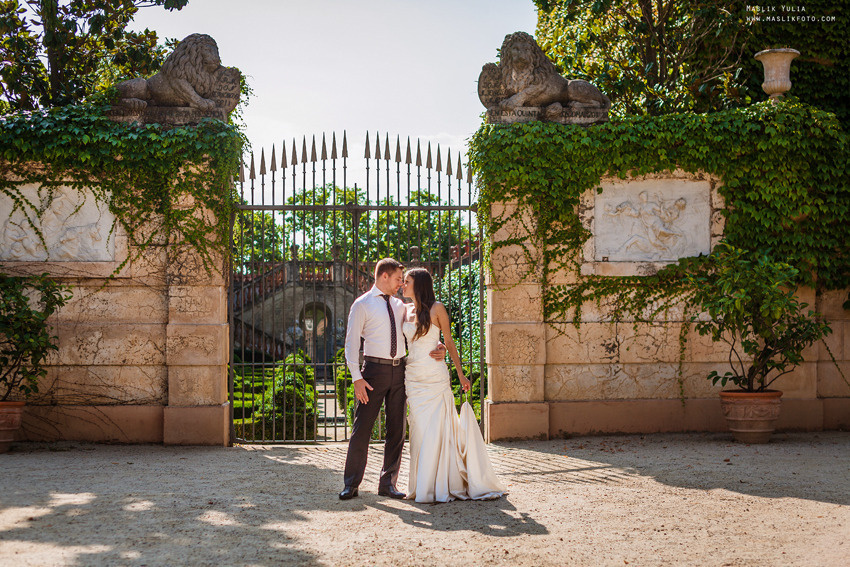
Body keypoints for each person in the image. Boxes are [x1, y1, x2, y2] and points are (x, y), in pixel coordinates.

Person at [338, 258, 445, 500]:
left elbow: (424, 328)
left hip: (401, 371)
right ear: (384, 276)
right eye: (398, 279)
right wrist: (356, 378)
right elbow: (351, 343)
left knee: (397, 429)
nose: (400, 284)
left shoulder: (401, 306)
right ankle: (351, 484)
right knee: (362, 428)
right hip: (373, 371)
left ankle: (388, 484)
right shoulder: (362, 304)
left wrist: (439, 345)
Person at [402, 267, 505, 503]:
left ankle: (440, 484)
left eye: (406, 281)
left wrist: (460, 374)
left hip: (435, 376)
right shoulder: (404, 310)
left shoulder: (437, 308)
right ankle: (421, 485)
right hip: (414, 376)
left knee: (438, 428)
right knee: (418, 428)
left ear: (418, 284)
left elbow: (448, 341)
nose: (403, 285)